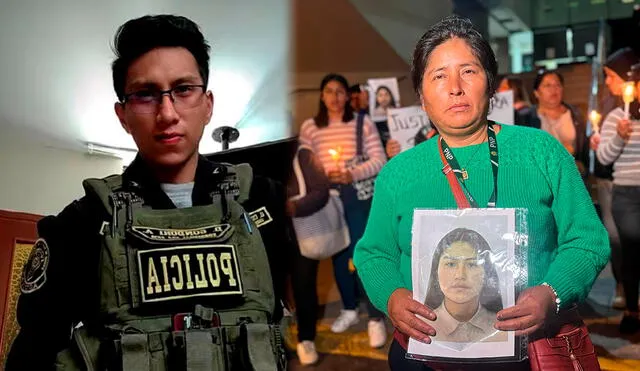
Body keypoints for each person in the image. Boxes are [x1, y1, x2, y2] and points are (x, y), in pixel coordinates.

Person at [7, 15, 287, 370]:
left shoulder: (268, 202)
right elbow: (32, 352)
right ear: (123, 115)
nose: (167, 113)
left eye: (183, 89)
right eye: (145, 95)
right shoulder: (82, 224)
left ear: (208, 104)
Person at [353, 16, 608, 370]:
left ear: (490, 84)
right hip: (428, 354)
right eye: (438, 75)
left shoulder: (541, 151)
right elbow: (374, 253)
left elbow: (587, 240)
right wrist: (391, 296)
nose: (455, 87)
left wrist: (553, 293)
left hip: (528, 353)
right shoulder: (398, 172)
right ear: (422, 96)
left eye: (469, 71)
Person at [298, 73, 388, 348]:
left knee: (363, 254)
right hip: (328, 200)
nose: (335, 97)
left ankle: (375, 318)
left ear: (347, 96)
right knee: (338, 256)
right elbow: (304, 164)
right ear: (322, 96)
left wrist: (352, 173)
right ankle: (349, 308)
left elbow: (379, 160)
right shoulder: (311, 127)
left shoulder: (362, 123)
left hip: (357, 198)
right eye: (329, 91)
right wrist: (324, 177)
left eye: (340, 91)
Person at [590, 47, 638, 310]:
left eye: (610, 76)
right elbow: (605, 157)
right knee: (626, 244)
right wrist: (614, 138)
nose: (607, 83)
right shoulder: (614, 113)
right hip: (622, 190)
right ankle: (630, 301)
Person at [285, 145, 330, 365]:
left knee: (303, 286)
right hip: (268, 232)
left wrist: (294, 206)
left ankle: (306, 338)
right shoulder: (256, 153)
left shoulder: (302, 153)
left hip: (302, 231)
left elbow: (321, 191)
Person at [424, 228, 506, 344]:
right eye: (451, 264)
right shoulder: (423, 324)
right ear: (435, 272)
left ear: (487, 273)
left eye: (472, 265)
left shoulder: (503, 327)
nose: (460, 275)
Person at [521, 70, 589, 178]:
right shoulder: (525, 118)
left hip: (571, 176)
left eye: (557, 85)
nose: (553, 89)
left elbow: (584, 147)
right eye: (547, 85)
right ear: (536, 92)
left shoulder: (575, 114)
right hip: (540, 178)